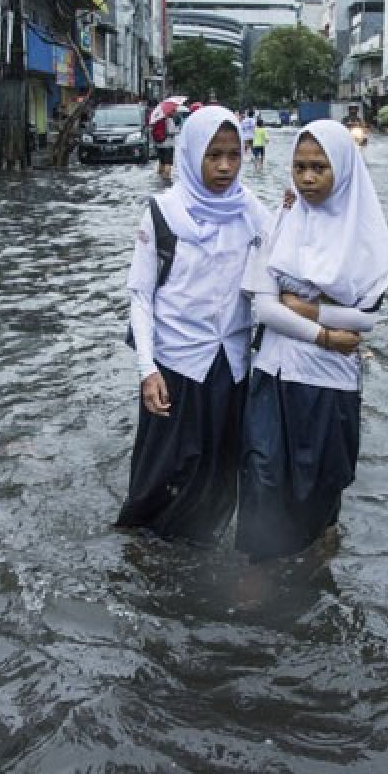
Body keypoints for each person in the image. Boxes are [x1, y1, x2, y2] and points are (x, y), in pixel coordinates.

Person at [236, 119, 388, 562]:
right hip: (274, 371)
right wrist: (325, 331)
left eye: (319, 168)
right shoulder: (282, 221)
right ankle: (256, 569)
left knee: (321, 480)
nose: (307, 178)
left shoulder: (367, 238)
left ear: (342, 170)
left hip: (331, 382)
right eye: (300, 167)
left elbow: (368, 320)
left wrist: (304, 307)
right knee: (262, 473)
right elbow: (263, 309)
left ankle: (314, 556)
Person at [116, 106, 273, 545]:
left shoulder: (253, 213)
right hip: (176, 365)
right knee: (164, 468)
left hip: (231, 365)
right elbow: (141, 296)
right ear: (191, 156)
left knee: (220, 468)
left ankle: (197, 548)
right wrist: (147, 369)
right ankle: (143, 547)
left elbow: (282, 269)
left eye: (233, 155)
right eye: (213, 156)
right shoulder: (162, 215)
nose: (225, 167)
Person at [152, 108, 178, 179]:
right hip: (168, 145)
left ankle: (159, 177)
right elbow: (171, 132)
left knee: (161, 163)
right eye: (174, 111)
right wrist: (176, 132)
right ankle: (166, 179)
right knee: (168, 163)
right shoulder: (169, 120)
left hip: (159, 144)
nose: (175, 113)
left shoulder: (158, 119)